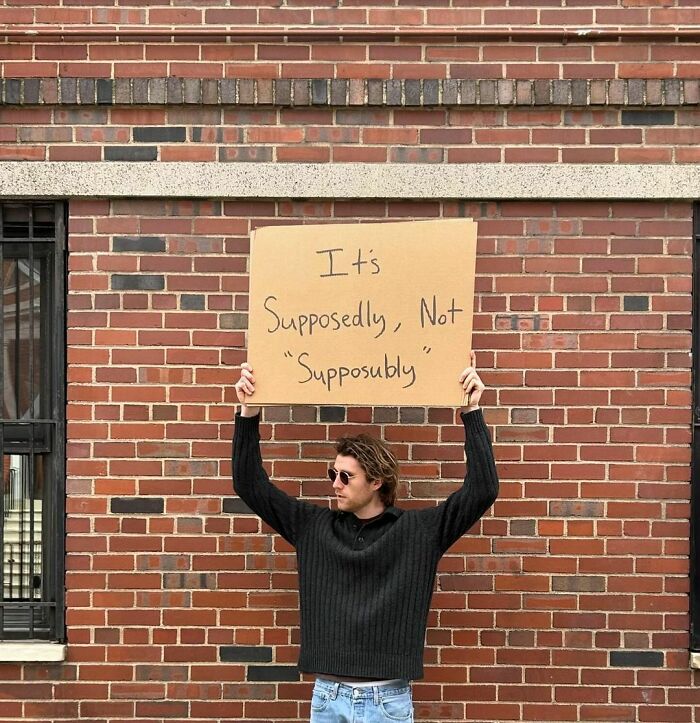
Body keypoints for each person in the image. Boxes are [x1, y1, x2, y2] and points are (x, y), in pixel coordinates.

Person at [232, 352, 499, 722]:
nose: (335, 485)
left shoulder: (419, 532)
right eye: (333, 474)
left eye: (346, 477)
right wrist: (248, 413)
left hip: (386, 701)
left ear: (376, 482)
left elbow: (482, 489)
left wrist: (471, 412)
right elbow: (249, 485)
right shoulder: (312, 526)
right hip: (328, 696)